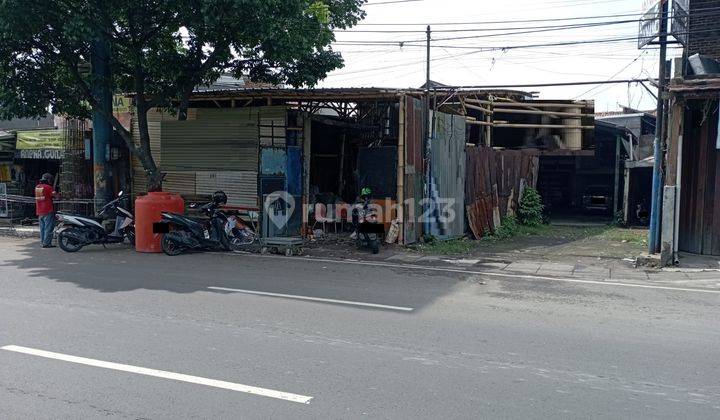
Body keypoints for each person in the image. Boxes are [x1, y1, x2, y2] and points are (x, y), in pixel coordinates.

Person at [35, 173, 56, 248]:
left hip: (40, 211)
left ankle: (43, 242)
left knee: (42, 228)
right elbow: (55, 195)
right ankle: (47, 243)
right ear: (48, 180)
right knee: (48, 228)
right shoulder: (48, 187)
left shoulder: (37, 187)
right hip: (48, 210)